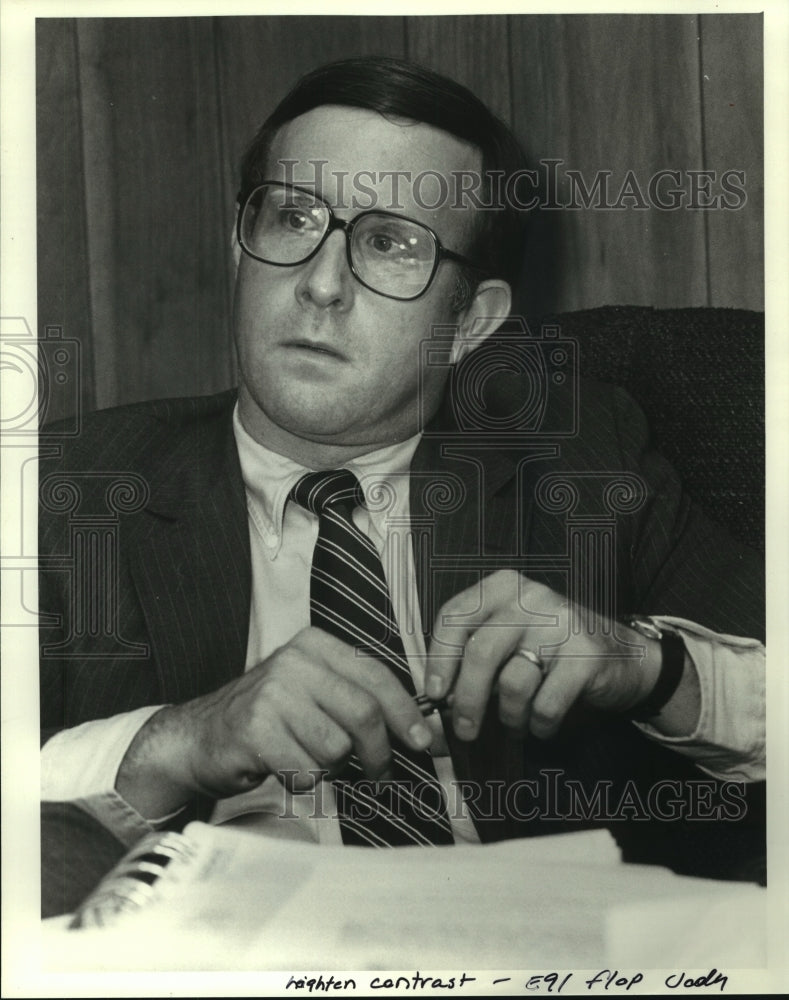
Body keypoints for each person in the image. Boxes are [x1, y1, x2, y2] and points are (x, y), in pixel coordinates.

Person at [39, 57, 765, 912]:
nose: (318, 284)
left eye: (389, 244)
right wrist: (174, 744)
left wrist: (648, 669)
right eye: (292, 218)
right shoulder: (71, 484)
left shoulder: (575, 462)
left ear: (471, 323)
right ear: (237, 247)